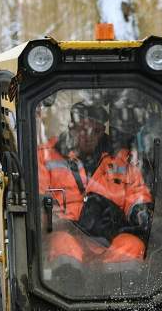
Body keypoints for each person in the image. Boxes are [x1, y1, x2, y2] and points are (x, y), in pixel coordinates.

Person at [36, 99, 153, 270]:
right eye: (83, 129)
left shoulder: (122, 159)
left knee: (132, 245)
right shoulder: (45, 156)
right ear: (71, 127)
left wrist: (140, 214)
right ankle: (71, 289)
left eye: (96, 131)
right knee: (61, 243)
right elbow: (39, 204)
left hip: (110, 238)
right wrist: (76, 219)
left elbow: (137, 194)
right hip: (70, 235)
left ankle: (121, 294)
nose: (89, 136)